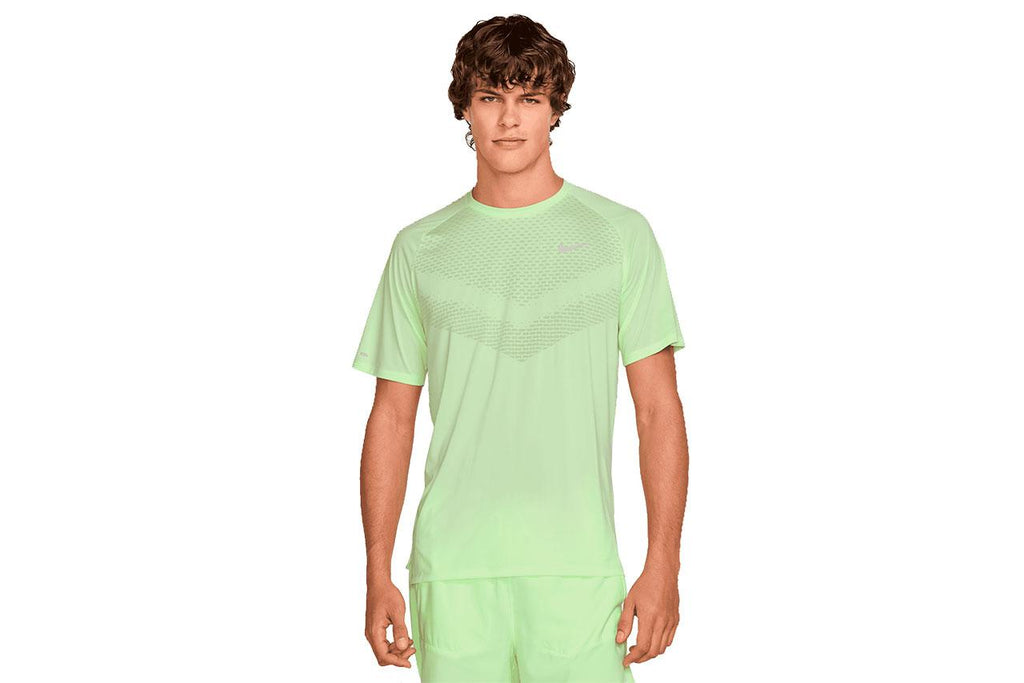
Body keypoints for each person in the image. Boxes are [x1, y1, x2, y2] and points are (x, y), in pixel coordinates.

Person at [353, 14, 688, 682]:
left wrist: (664, 565)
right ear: (465, 108)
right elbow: (391, 415)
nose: (509, 119)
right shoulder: (420, 248)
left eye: (529, 97)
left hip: (579, 571)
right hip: (452, 572)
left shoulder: (619, 236)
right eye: (490, 96)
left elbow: (658, 410)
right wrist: (376, 570)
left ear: (555, 108)